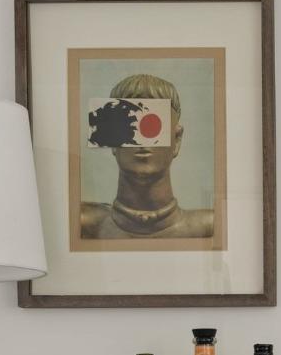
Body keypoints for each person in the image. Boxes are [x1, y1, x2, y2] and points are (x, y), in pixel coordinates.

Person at [81, 73, 214, 240]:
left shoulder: (209, 228)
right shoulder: (85, 224)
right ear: (113, 139)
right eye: (128, 126)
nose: (142, 142)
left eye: (154, 127)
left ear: (177, 140)